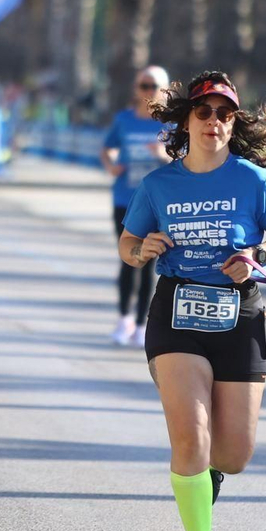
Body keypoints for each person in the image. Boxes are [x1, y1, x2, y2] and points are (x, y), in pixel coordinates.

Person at [118, 71, 266, 531]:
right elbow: (127, 245)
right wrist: (142, 250)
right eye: (204, 112)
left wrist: (258, 254)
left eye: (224, 114)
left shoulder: (253, 180)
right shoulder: (159, 185)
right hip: (177, 315)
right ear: (187, 121)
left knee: (233, 455)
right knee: (190, 436)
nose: (214, 122)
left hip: (238, 316)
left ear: (233, 124)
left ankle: (208, 476)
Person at [101, 66, 172, 346]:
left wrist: (164, 155)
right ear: (136, 88)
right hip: (125, 199)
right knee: (128, 259)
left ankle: (142, 324)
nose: (148, 92)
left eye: (154, 86)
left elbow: (184, 162)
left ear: (165, 91)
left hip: (156, 204)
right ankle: (124, 319)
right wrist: (111, 166)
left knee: (148, 263)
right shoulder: (124, 120)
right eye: (144, 86)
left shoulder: (171, 125)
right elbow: (107, 148)